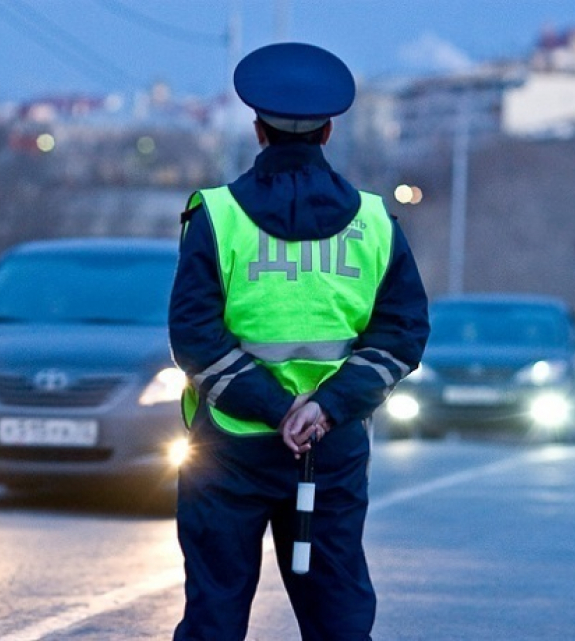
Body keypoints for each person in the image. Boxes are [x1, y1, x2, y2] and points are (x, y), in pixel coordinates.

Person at [168, 42, 430, 641]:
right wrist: (323, 409)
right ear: (329, 131)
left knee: (214, 614)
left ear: (257, 129)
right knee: (337, 618)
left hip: (227, 454)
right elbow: (402, 333)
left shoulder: (216, 215)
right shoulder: (374, 222)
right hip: (329, 453)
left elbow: (194, 336)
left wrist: (272, 407)